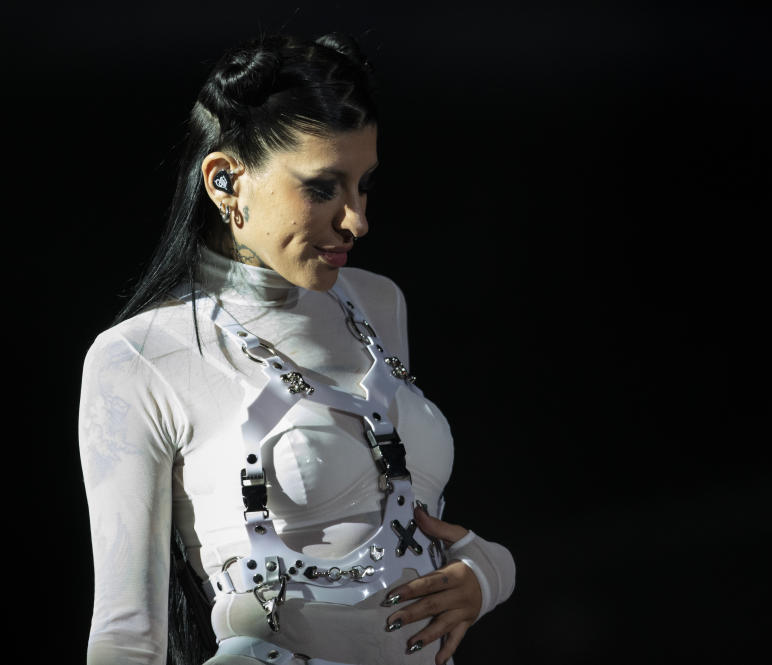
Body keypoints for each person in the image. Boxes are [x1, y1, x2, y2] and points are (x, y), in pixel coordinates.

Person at [78, 33, 515, 665]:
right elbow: (125, 637)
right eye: (323, 188)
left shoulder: (378, 303)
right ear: (226, 181)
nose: (357, 220)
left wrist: (486, 570)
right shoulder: (138, 357)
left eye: (364, 185)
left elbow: (393, 516)